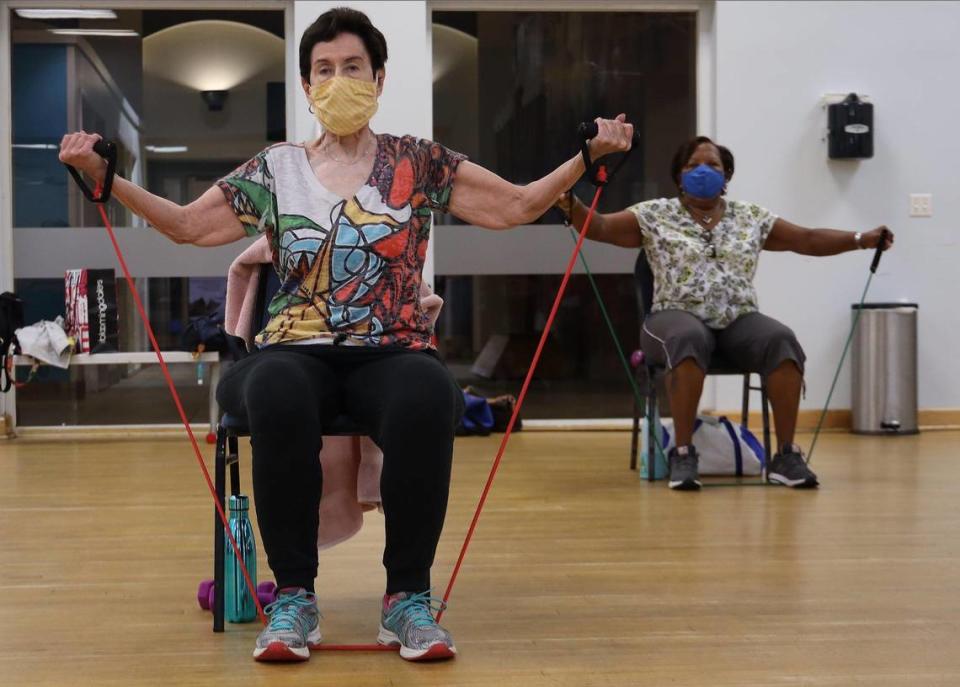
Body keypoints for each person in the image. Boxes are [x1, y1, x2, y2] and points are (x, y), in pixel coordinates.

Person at [59, 7, 633, 664]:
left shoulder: (419, 161)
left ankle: (409, 599)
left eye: (352, 67)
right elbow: (189, 225)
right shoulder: (275, 169)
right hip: (291, 349)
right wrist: (110, 185)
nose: (338, 80)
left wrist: (585, 160)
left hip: (392, 347)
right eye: (324, 70)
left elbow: (513, 204)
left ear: (379, 77)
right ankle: (295, 597)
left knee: (428, 392)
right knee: (273, 386)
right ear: (305, 85)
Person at [557, 135, 894, 491]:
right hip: (673, 315)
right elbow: (601, 227)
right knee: (688, 338)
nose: (703, 171)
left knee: (781, 341)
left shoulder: (750, 217)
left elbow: (806, 239)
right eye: (693, 166)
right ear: (679, 176)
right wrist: (571, 204)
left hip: (737, 320)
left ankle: (786, 456)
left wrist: (861, 238)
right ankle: (683, 454)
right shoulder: (655, 215)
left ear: (727, 175)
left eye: (713, 165)